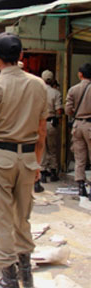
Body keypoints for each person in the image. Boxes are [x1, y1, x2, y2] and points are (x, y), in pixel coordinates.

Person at [0, 33, 47, 288]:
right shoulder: (39, 85)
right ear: (21, 57)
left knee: (0, 217)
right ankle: (26, 273)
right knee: (22, 216)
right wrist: (37, 163)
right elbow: (42, 131)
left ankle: (8, 279)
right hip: (27, 158)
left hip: (0, 159)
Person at [65, 62, 91, 201]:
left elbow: (67, 109)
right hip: (90, 126)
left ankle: (81, 186)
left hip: (77, 125)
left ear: (80, 74)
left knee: (79, 157)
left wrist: (77, 113)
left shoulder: (73, 90)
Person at [40, 70, 63, 185]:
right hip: (51, 123)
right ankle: (53, 172)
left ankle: (42, 173)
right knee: (53, 148)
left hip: (40, 123)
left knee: (42, 148)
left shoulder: (38, 92)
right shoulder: (56, 93)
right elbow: (59, 110)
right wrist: (57, 117)